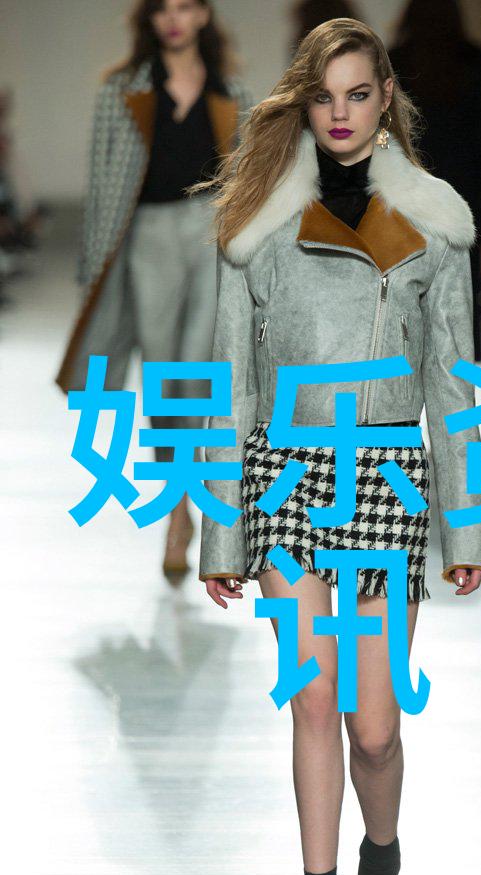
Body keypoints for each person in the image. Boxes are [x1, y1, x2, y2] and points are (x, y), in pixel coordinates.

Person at [197, 17, 481, 875]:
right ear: (303, 101)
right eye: (324, 95)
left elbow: (451, 381)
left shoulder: (433, 226)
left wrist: (466, 527)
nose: (339, 112)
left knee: (374, 728)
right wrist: (222, 530)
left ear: (384, 100)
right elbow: (231, 385)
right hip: (286, 476)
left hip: (384, 478)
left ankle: (382, 854)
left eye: (358, 93)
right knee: (312, 699)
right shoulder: (256, 227)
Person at [54, 0, 252, 579]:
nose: (174, 18)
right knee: (164, 379)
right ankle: (178, 510)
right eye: (163, 7)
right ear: (149, 18)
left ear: (204, 15)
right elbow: (102, 187)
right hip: (145, 237)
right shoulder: (120, 92)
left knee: (200, 374)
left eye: (185, 6)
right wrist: (92, 275)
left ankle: (191, 511)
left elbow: (247, 182)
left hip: (209, 235)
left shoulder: (232, 93)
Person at [387, 0, 481, 362]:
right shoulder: (475, 62)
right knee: (460, 303)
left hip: (409, 199)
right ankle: (455, 384)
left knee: (407, 300)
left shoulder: (396, 62)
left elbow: (384, 136)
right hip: (465, 202)